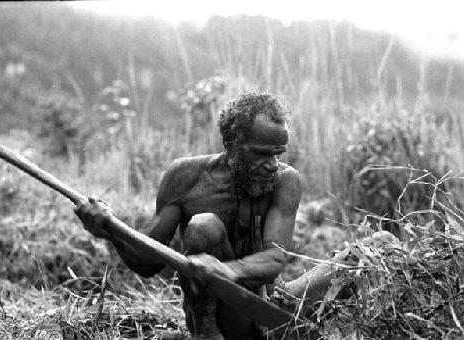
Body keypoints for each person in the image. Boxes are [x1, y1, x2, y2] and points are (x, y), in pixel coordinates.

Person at [75, 92, 352, 339]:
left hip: (271, 305)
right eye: (262, 154)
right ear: (232, 143)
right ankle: (205, 334)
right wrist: (110, 230)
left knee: (370, 253)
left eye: (278, 154)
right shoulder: (185, 177)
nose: (272, 165)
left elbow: (275, 258)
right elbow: (148, 263)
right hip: (224, 318)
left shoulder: (286, 181)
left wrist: (228, 269)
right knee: (203, 226)